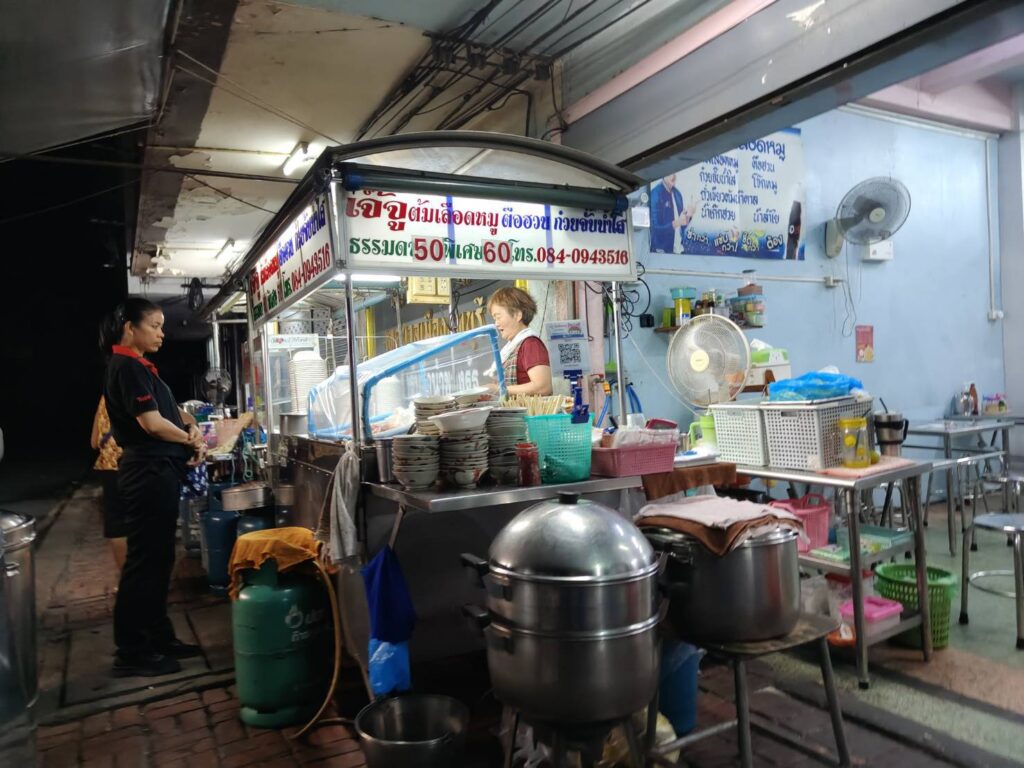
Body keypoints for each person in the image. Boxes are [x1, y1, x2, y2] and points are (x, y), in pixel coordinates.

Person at [99, 298, 207, 677]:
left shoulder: (143, 367)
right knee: (144, 562)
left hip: (159, 471)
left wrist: (192, 427)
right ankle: (131, 651)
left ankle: (159, 637)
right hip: (146, 472)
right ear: (130, 328)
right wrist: (190, 440)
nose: (162, 334)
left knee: (160, 560)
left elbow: (174, 413)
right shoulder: (126, 366)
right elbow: (152, 424)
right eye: (155, 326)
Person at [487, 286, 552, 396]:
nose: (496, 324)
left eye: (498, 317)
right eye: (494, 319)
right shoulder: (512, 347)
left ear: (517, 315)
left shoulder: (531, 344)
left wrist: (499, 389)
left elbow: (543, 387)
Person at [90, 396, 126, 571]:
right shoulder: (143, 390)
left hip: (109, 467)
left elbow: (94, 442)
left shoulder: (105, 398)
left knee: (117, 526)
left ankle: (126, 577)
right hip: (136, 465)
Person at [650, 173, 694, 253]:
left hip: (679, 251)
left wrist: (689, 216)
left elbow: (681, 226)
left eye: (674, 173)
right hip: (662, 253)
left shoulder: (677, 194)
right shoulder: (655, 194)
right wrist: (677, 223)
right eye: (670, 173)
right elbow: (654, 230)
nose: (673, 176)